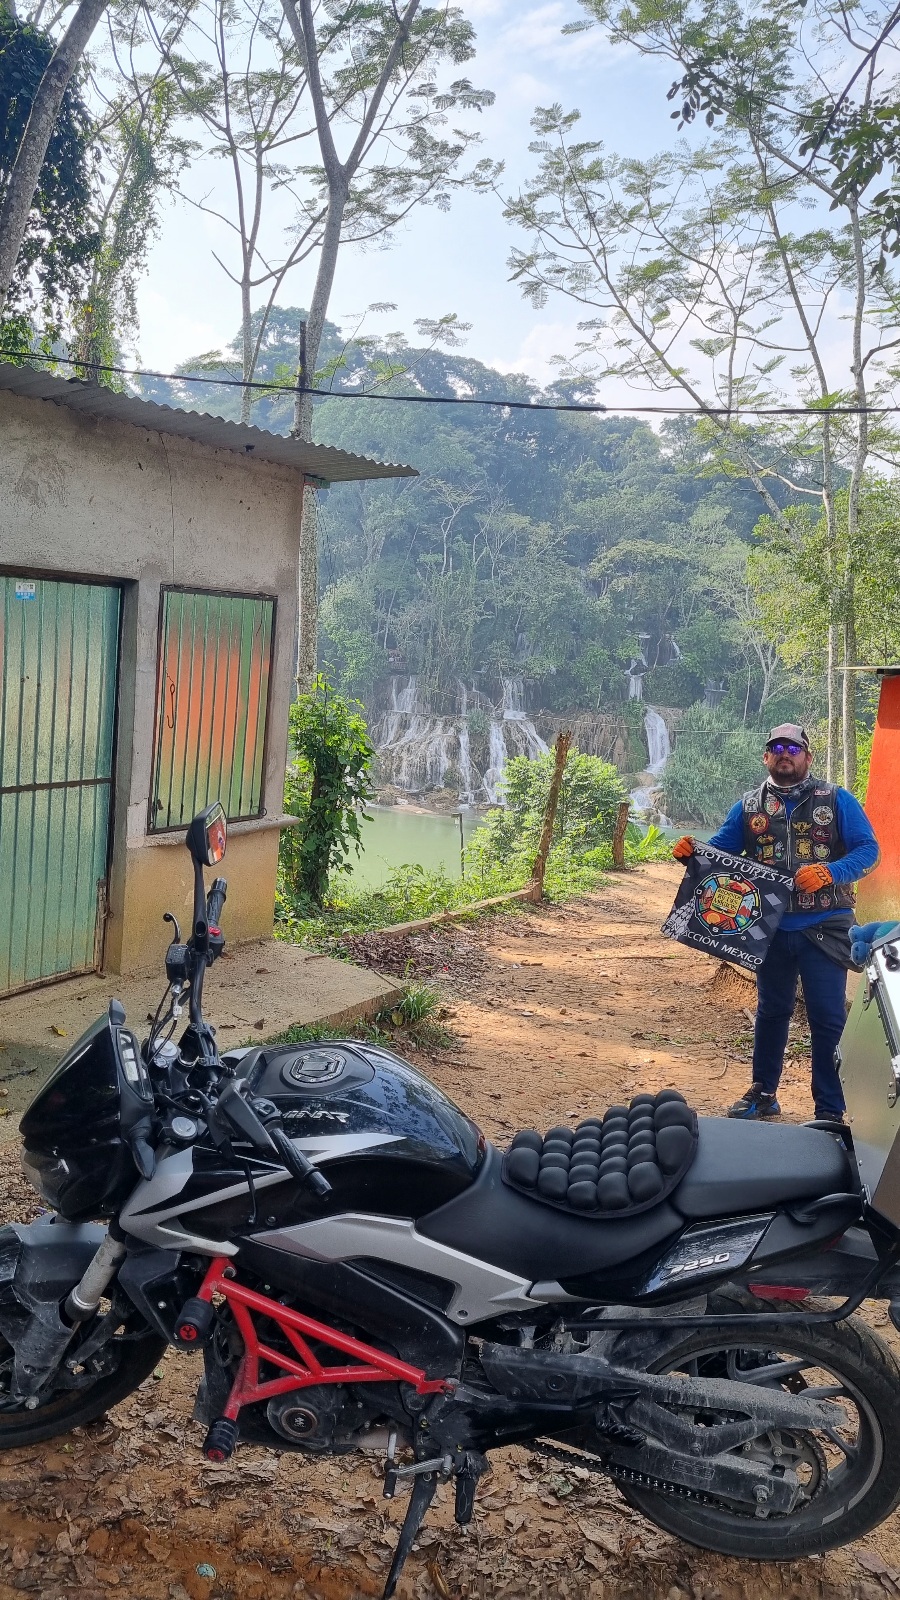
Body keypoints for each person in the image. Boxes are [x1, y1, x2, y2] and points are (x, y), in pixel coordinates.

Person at [672, 723, 879, 1122]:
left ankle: (830, 1110)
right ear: (766, 756)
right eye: (776, 747)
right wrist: (691, 854)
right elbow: (719, 855)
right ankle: (764, 1092)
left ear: (807, 756)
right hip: (768, 928)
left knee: (828, 1017)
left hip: (826, 925)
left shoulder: (836, 800)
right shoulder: (749, 807)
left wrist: (831, 872)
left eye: (794, 747)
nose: (785, 753)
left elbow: (870, 851)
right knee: (771, 1010)